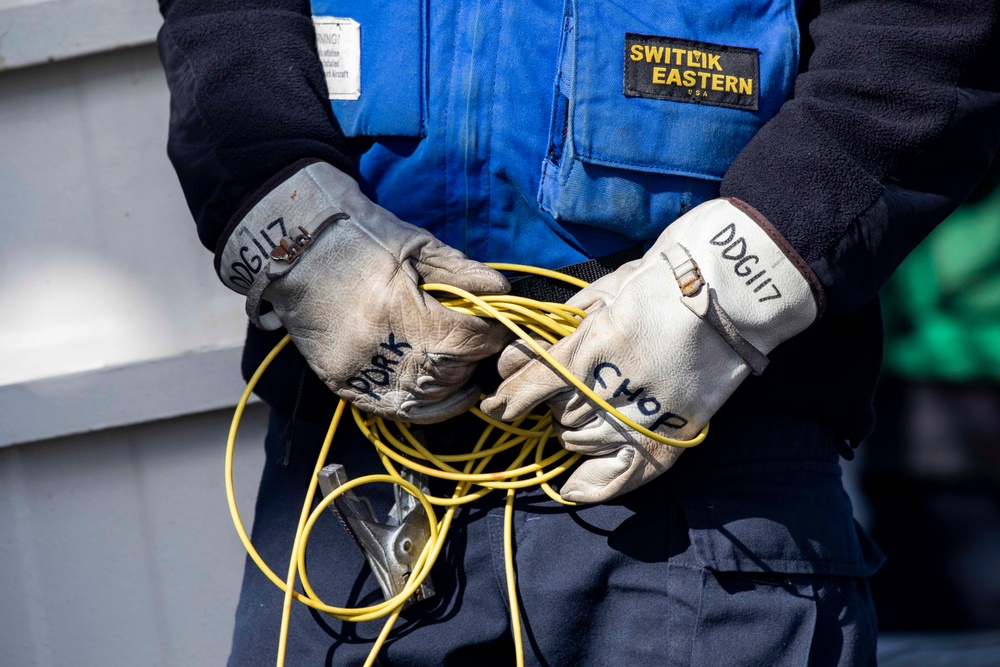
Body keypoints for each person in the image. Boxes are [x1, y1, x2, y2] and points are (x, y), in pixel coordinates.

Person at [156, 0, 1000, 664]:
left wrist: (737, 282)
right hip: (352, 482)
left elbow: (926, 34)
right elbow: (226, 20)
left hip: (713, 485)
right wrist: (291, 218)